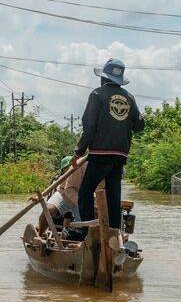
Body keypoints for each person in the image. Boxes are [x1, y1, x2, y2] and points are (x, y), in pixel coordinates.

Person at [70, 58, 144, 234]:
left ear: (104, 78)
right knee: (113, 195)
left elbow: (89, 128)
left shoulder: (96, 95)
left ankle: (88, 233)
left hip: (100, 154)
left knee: (85, 193)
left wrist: (78, 152)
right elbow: (140, 125)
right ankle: (114, 233)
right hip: (120, 156)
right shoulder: (129, 98)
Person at [38, 156, 99, 240]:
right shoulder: (61, 177)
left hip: (83, 197)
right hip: (64, 194)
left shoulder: (92, 167)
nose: (69, 168)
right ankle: (40, 235)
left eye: (70, 166)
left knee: (93, 219)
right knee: (48, 210)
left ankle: (90, 241)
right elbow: (67, 190)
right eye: (67, 167)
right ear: (63, 170)